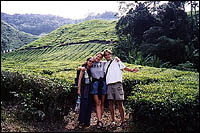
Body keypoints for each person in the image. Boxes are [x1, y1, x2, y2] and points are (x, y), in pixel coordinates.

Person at [78, 52, 120, 129]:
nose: (98, 58)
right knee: (98, 102)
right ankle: (99, 121)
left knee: (102, 103)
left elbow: (110, 61)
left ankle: (99, 120)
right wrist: (80, 68)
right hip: (95, 84)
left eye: (100, 57)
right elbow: (83, 67)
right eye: (98, 56)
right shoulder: (92, 63)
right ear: (95, 56)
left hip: (103, 84)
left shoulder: (103, 63)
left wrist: (116, 58)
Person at [103, 49, 138, 127]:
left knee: (120, 103)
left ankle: (123, 121)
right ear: (104, 57)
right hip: (109, 85)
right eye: (105, 55)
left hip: (117, 84)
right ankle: (113, 120)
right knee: (111, 103)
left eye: (108, 54)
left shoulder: (116, 60)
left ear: (110, 54)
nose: (107, 56)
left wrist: (132, 70)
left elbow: (124, 67)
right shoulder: (105, 64)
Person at [77, 57, 94, 128]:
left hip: (90, 89)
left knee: (89, 105)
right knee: (84, 105)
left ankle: (87, 121)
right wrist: (79, 89)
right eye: (90, 61)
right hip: (84, 89)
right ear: (87, 61)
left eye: (92, 62)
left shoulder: (90, 70)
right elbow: (79, 80)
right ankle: (81, 122)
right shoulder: (83, 69)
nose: (91, 62)